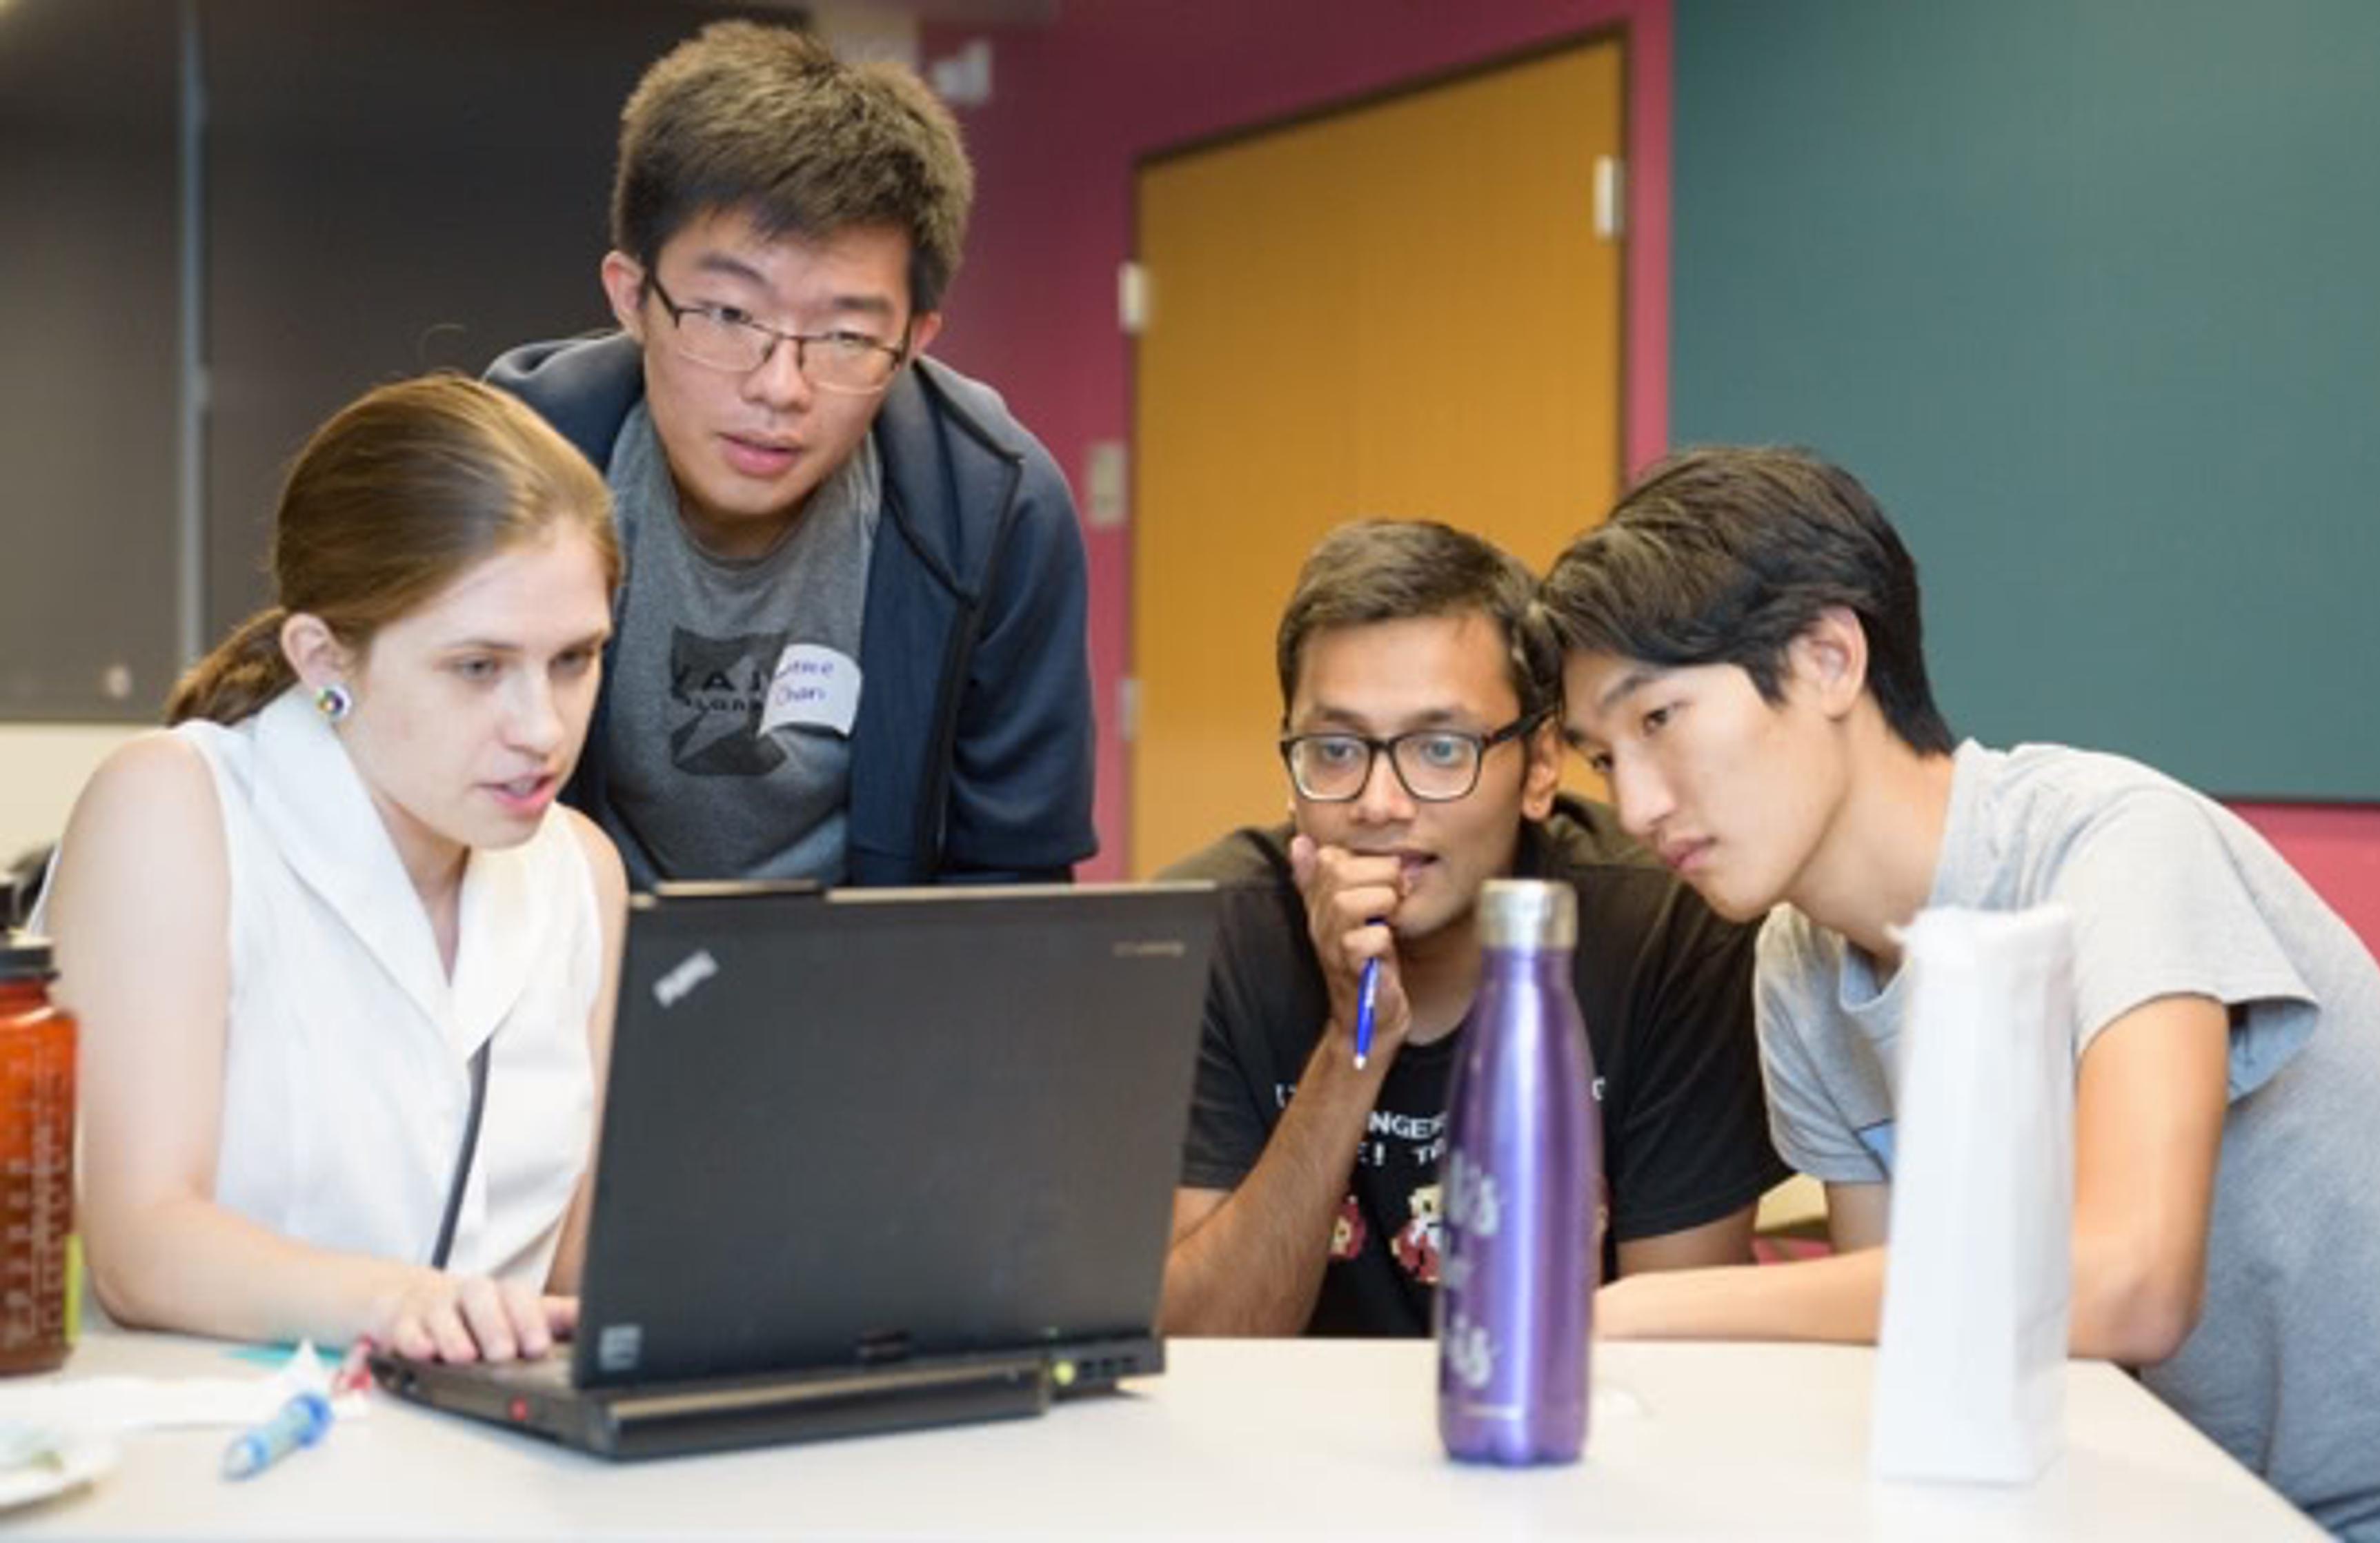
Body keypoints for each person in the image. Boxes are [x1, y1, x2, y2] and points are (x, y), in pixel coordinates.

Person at [1539, 446, 2380, 1540]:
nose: (1635, 805)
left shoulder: (2111, 848)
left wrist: (1652, 1307)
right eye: (1602, 758)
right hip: (2193, 1508)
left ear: (1830, 658)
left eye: (1659, 721)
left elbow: (2132, 1286)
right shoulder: (1799, 966)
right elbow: (1920, 1341)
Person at [41, 375, 628, 1364]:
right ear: (322, 659)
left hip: (490, 1447)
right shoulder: (175, 807)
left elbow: (579, 1271)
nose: (542, 728)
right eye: (478, 667)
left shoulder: (583, 873)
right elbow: (140, 1247)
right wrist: (404, 1303)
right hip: (212, 1442)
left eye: (574, 660)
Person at [490, 20, 1095, 887]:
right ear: (631, 296)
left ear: (915, 342)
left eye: (846, 335)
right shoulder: (510, 468)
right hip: (564, 958)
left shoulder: (996, 509)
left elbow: (1010, 887)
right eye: (729, 316)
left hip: (875, 968)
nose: (780, 387)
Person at [1158, 520, 1785, 1337]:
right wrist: (1352, 1045)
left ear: (1541, 765)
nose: (1379, 803)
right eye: (1336, 749)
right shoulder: (1206, 933)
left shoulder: (1663, 929)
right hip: (1283, 1418)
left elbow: (1679, 1348)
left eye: (1442, 748)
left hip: (1566, 1409)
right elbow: (1203, 1349)